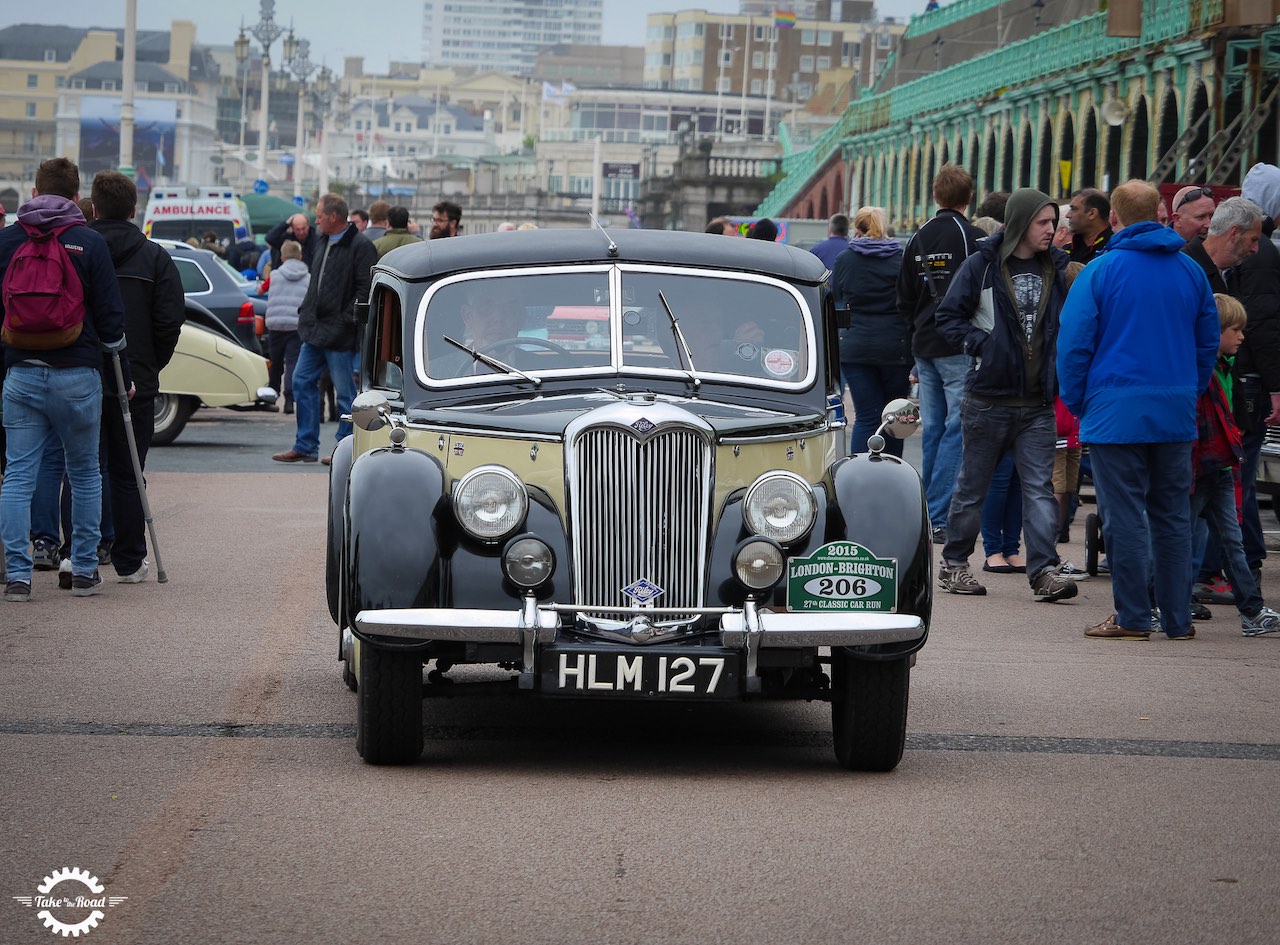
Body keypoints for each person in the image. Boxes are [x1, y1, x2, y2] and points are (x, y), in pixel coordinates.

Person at [1058, 180, 1219, 640]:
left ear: (1113, 218)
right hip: (1174, 409)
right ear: (1164, 213)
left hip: (1112, 410)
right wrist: (1189, 388)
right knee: (1172, 515)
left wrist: (1078, 401)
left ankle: (1132, 617)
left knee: (1123, 514)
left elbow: (1074, 345)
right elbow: (1208, 342)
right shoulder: (1189, 271)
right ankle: (1177, 618)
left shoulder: (1101, 270)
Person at [934, 187, 1076, 602]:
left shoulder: (1057, 268)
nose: (1053, 230)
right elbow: (947, 316)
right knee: (972, 488)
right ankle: (955, 565)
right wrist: (983, 343)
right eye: (1043, 222)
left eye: (1054, 222)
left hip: (1036, 403)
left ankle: (1044, 570)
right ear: (1020, 224)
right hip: (988, 399)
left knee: (1038, 490)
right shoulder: (981, 265)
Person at [1, 157, 128, 601]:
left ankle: (17, 576)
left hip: (20, 373)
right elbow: (112, 322)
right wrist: (123, 375)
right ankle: (85, 570)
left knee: (18, 475)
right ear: (77, 199)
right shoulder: (87, 243)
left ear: (34, 193)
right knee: (85, 472)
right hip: (77, 372)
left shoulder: (7, 241)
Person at [83, 170, 184, 585]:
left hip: (81, 370)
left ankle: (83, 554)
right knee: (128, 471)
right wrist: (149, 366)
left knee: (84, 468)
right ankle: (128, 559)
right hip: (136, 376)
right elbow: (170, 322)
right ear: (133, 210)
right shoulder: (155, 257)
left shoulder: (77, 249)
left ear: (93, 206)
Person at [897, 164, 986, 544]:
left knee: (932, 427)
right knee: (956, 427)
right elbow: (982, 291)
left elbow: (902, 296)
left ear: (936, 196)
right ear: (969, 198)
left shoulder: (917, 238)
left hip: (923, 342)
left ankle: (923, 507)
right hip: (957, 342)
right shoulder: (972, 237)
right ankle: (937, 513)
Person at [1191, 293, 1280, 635]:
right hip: (1200, 469)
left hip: (1221, 469)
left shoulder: (1226, 367)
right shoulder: (1203, 372)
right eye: (1235, 329)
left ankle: (1252, 611)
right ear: (1214, 331)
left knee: (1232, 541)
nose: (1242, 336)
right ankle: (1161, 601)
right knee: (1181, 539)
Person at [272, 193, 376, 466]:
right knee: (301, 381)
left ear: (332, 217)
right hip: (314, 329)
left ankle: (345, 447)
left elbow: (365, 290)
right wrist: (306, 312)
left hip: (339, 334)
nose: (314, 220)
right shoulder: (320, 240)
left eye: (318, 216)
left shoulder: (360, 246)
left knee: (345, 394)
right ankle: (305, 445)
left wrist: (345, 320)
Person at [1232, 163, 1280, 587]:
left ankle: (1245, 554)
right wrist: (1277, 385)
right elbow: (1263, 323)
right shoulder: (1262, 251)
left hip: (1239, 370)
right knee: (1241, 470)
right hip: (1251, 377)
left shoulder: (1250, 248)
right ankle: (1245, 557)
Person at [832, 207, 909, 456]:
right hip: (895, 346)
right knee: (894, 417)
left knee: (866, 416)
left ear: (857, 229)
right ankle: (893, 473)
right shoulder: (900, 258)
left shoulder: (846, 259)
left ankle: (860, 471)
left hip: (856, 346)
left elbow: (838, 296)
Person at [264, 239, 309, 416]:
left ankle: (272, 395)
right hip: (295, 326)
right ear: (300, 256)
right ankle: (289, 399)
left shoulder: (274, 275)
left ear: (282, 257)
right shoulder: (308, 277)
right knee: (292, 362)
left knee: (276, 363)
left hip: (275, 325)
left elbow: (261, 290)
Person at [1064, 188, 1112, 263]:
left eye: (1074, 209)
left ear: (1092, 213)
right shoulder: (1066, 251)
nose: (1067, 215)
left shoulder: (1115, 247)